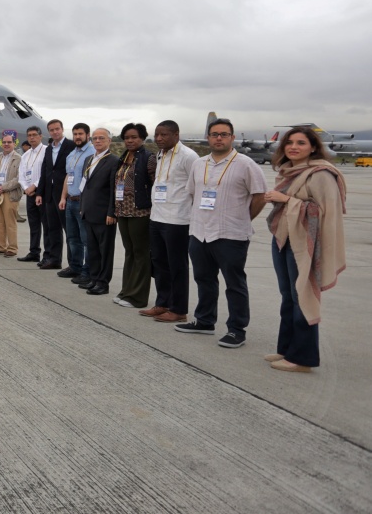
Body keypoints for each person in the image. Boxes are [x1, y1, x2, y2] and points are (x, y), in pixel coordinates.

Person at [176, 118, 267, 349]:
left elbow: (259, 196)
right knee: (204, 279)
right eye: (214, 134)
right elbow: (193, 194)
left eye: (224, 134)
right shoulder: (199, 164)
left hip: (231, 235)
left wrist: (243, 218)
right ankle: (205, 321)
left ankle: (237, 330)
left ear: (232, 138)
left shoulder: (246, 164)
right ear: (208, 138)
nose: (219, 138)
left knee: (234, 283)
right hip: (199, 233)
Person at [263, 127, 346, 372]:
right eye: (289, 142)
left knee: (302, 296)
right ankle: (286, 348)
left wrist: (286, 200)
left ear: (313, 147)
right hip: (284, 238)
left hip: (306, 244)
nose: (293, 147)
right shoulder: (288, 171)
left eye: (301, 142)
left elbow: (324, 212)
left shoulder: (321, 174)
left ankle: (303, 358)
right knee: (288, 296)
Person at [143, 121, 199, 323]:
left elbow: (195, 187)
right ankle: (163, 303)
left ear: (176, 134)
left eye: (164, 135)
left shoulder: (189, 156)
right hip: (157, 216)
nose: (159, 138)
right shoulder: (161, 154)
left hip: (177, 219)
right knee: (159, 264)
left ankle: (179, 309)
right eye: (157, 135)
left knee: (177, 265)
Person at [112, 123, 156, 309]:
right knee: (129, 252)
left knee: (141, 254)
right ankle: (127, 291)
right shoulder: (123, 158)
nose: (130, 141)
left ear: (142, 138)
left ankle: (138, 297)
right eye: (127, 138)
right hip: (123, 211)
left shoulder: (148, 158)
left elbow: (154, 185)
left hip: (140, 212)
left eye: (134, 137)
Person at [77, 128, 119, 295]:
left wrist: (112, 212)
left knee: (105, 251)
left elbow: (114, 190)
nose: (97, 141)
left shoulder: (113, 161)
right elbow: (84, 186)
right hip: (88, 212)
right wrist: (82, 207)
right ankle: (94, 278)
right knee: (93, 249)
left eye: (101, 138)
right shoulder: (89, 159)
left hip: (104, 214)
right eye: (94, 138)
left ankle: (103, 282)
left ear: (109, 140)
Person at [57, 123, 94, 280]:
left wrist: (85, 202)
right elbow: (68, 177)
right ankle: (75, 266)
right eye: (75, 134)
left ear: (87, 135)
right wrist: (63, 197)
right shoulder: (72, 154)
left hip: (82, 202)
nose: (77, 137)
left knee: (86, 239)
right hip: (70, 201)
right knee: (72, 237)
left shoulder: (92, 153)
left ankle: (87, 270)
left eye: (80, 134)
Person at [35, 119, 69, 270]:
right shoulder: (49, 149)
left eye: (57, 129)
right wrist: (39, 193)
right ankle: (55, 260)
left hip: (64, 194)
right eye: (52, 130)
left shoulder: (71, 146)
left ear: (62, 129)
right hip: (49, 194)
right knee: (52, 229)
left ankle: (75, 264)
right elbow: (45, 172)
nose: (55, 132)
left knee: (69, 231)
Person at [17, 126, 48, 262]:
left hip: (43, 193)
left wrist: (34, 186)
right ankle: (34, 252)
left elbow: (46, 173)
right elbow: (21, 175)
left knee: (47, 226)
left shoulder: (47, 151)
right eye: (29, 135)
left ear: (40, 136)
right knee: (33, 225)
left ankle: (49, 255)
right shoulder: (25, 155)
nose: (32, 137)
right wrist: (26, 187)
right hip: (29, 194)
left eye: (35, 135)